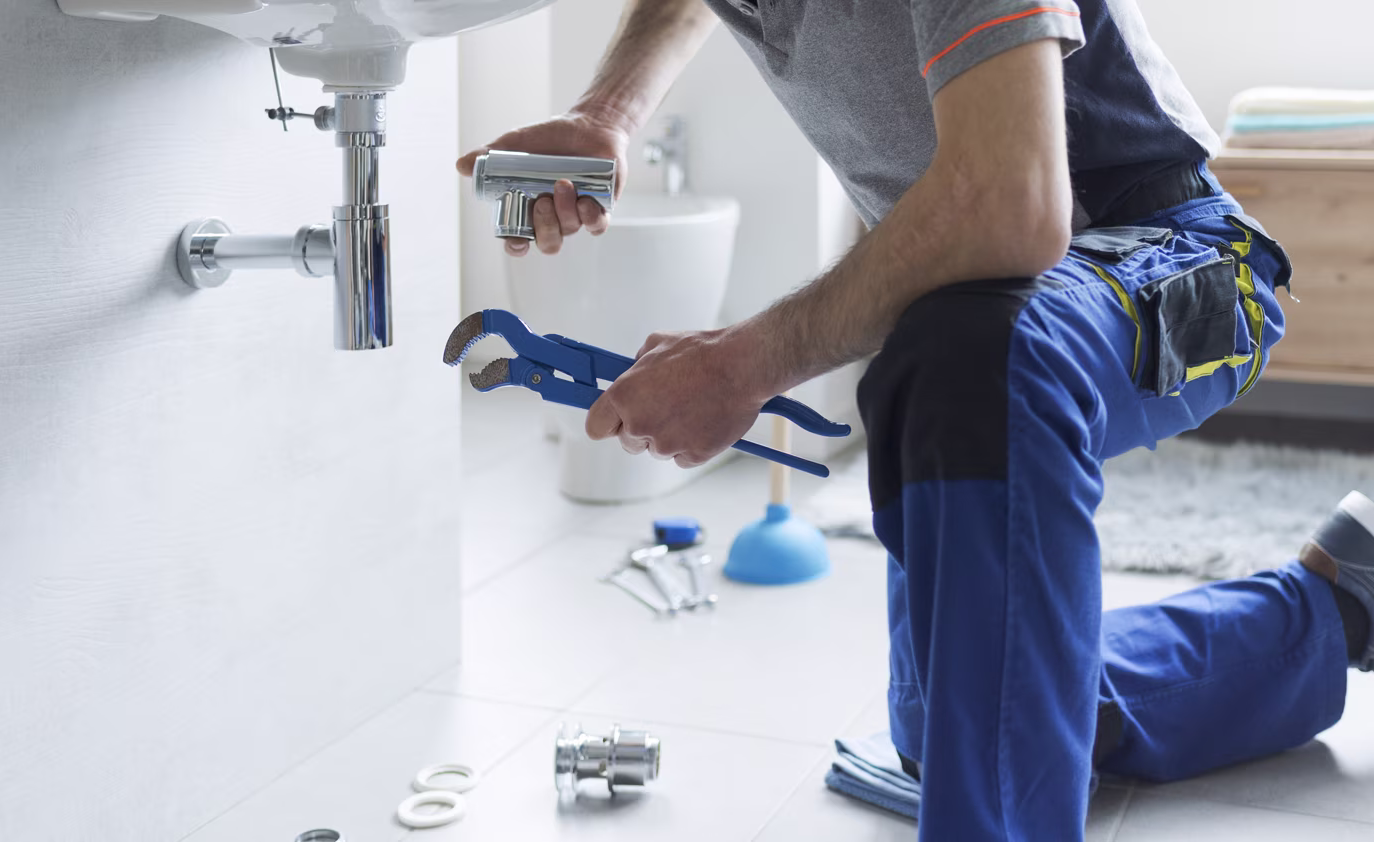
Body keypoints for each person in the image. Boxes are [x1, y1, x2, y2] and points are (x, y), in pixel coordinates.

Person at [457, 1, 1374, 838]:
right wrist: (608, 113)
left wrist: (738, 367)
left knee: (970, 354)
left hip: (1177, 255)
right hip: (982, 311)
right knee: (951, 727)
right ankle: (1338, 610)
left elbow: (1012, 206)